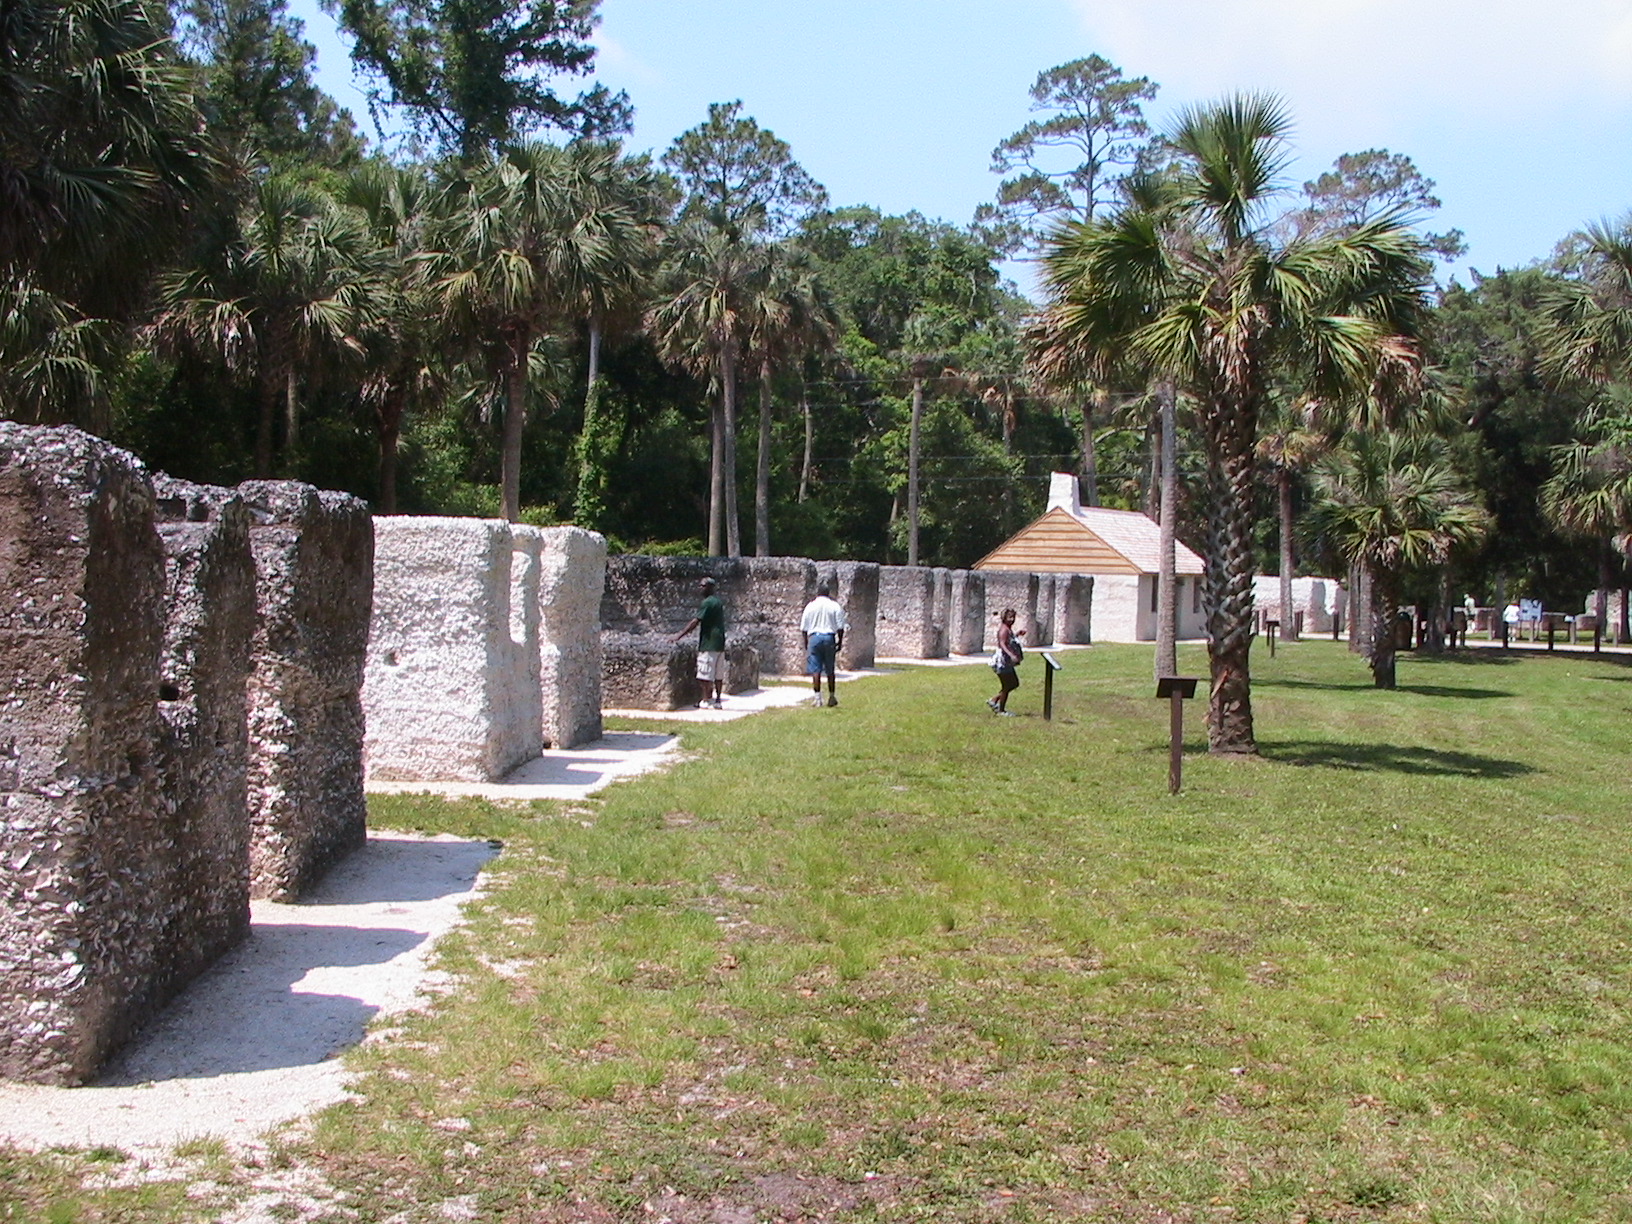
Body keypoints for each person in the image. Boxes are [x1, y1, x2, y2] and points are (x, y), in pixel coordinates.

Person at [673, 576, 726, 709]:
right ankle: (718, 700)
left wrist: (679, 635)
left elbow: (696, 621)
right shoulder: (718, 602)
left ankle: (705, 700)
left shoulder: (707, 603)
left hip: (709, 643)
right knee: (718, 674)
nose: (700, 588)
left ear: (710, 587)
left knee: (704, 673)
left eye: (703, 586)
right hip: (720, 642)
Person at [799, 581, 847, 707]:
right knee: (830, 669)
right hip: (828, 637)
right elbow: (840, 627)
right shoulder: (834, 606)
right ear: (828, 593)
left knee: (816, 669)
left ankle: (818, 698)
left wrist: (806, 642)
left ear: (818, 593)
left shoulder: (810, 606)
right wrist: (840, 641)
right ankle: (831, 696)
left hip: (814, 637)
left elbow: (804, 628)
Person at [988, 607, 1025, 715]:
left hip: (1007, 662)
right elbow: (1002, 644)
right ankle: (1000, 709)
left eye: (1013, 617)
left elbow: (1010, 640)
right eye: (1009, 617)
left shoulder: (1008, 629)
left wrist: (1017, 634)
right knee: (1009, 685)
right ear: (1004, 618)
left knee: (1012, 684)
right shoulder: (1004, 629)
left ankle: (995, 701)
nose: (1012, 619)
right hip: (1002, 662)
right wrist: (1011, 655)